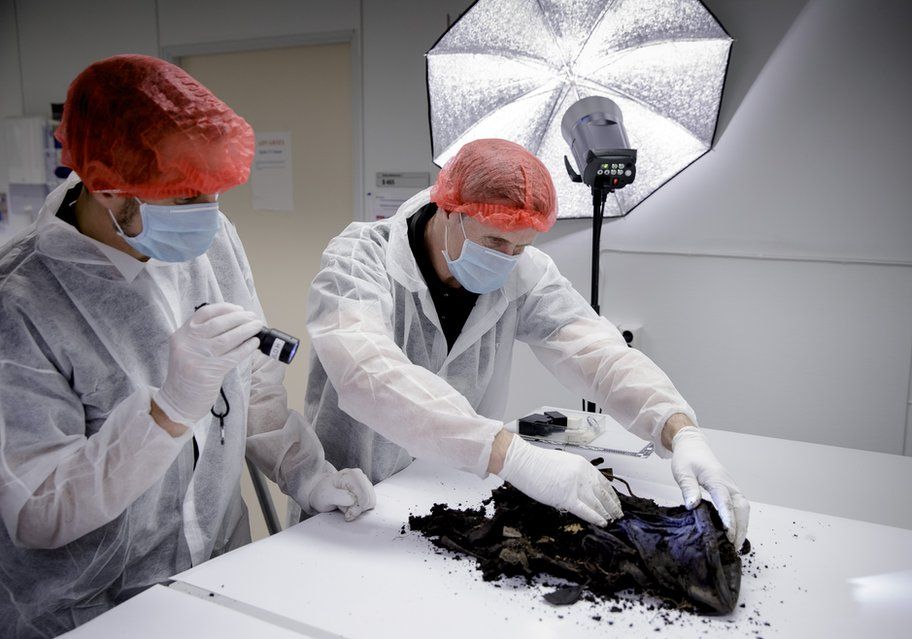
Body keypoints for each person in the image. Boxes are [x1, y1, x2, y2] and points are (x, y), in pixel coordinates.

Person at [0, 55, 374, 638]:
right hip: (94, 607)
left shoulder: (212, 239)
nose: (206, 217)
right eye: (182, 198)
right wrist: (167, 412)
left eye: (212, 193)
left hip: (219, 573)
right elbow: (36, 510)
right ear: (105, 186)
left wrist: (307, 474)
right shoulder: (22, 299)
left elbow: (254, 391)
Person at [305, 138, 748, 545]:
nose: (506, 260)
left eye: (520, 247)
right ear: (447, 209)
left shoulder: (525, 274)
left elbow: (599, 353)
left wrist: (680, 429)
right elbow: (367, 374)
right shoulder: (360, 258)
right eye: (495, 240)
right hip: (353, 499)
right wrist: (513, 457)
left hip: (447, 492)